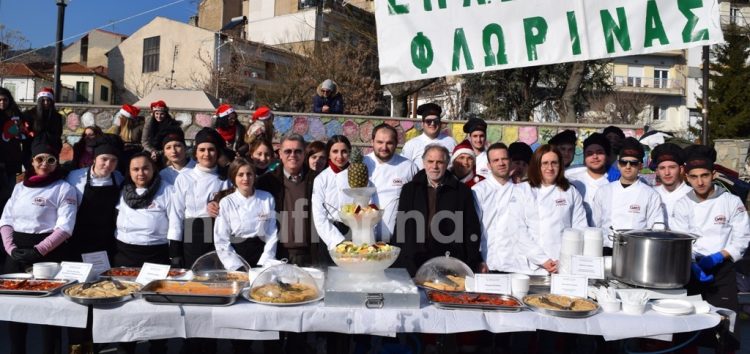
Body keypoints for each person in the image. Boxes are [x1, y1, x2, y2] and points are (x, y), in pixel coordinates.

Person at [0, 136, 77, 354]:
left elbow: (65, 227)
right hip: (16, 251)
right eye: (40, 159)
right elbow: (6, 219)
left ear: (56, 163)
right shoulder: (20, 186)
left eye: (50, 160)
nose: (44, 164)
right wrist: (11, 249)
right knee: (14, 310)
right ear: (32, 161)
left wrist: (38, 250)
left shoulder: (63, 188)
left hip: (47, 252)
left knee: (49, 313)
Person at [672, 145, 750, 313]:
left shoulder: (731, 201)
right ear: (686, 177)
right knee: (691, 323)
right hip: (692, 269)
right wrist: (693, 264)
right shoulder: (682, 205)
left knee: (726, 323)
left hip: (723, 271)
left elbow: (742, 238)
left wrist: (718, 257)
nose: (699, 182)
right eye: (694, 177)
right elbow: (681, 240)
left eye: (704, 176)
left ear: (713, 174)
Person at [393, 144, 482, 275]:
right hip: (414, 260)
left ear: (447, 164)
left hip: (449, 262)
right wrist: (401, 259)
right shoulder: (409, 190)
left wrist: (471, 261)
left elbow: (471, 228)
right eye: (430, 161)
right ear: (423, 162)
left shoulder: (462, 192)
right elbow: (401, 228)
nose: (434, 166)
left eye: (439, 162)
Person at [472, 143, 551, 274]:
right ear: (489, 165)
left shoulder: (525, 190)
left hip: (520, 265)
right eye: (496, 160)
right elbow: (473, 229)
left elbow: (535, 226)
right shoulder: (479, 191)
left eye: (504, 159)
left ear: (510, 162)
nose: (501, 163)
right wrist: (477, 259)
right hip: (490, 263)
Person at [168, 128, 231, 269]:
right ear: (196, 153)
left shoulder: (226, 179)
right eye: (202, 150)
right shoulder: (184, 177)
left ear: (218, 152)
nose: (206, 154)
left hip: (218, 233)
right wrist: (175, 250)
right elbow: (176, 214)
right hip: (192, 233)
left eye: (211, 150)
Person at [257, 134, 320, 267]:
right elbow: (243, 192)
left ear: (304, 153)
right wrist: (216, 201)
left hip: (309, 255)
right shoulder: (266, 182)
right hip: (276, 255)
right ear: (280, 153)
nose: (293, 155)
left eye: (297, 151)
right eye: (288, 151)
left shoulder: (317, 180)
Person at [591, 137, 664, 250]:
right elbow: (595, 225)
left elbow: (656, 230)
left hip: (637, 251)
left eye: (633, 163)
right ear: (619, 164)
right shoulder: (603, 191)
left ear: (640, 166)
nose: (628, 166)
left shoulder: (650, 194)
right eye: (624, 162)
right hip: (606, 249)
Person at [524, 144, 587, 273]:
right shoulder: (523, 190)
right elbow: (519, 231)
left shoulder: (571, 192)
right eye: (545, 163)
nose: (550, 168)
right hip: (531, 266)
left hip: (563, 265)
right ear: (537, 165)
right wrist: (542, 260)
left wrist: (565, 260)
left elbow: (580, 229)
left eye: (554, 163)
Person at [65, 134, 124, 262]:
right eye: (104, 159)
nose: (108, 164)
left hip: (107, 241)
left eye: (113, 160)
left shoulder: (119, 178)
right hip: (80, 240)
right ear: (94, 159)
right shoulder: (75, 177)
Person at [214, 157, 278, 269]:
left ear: (254, 176)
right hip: (236, 254)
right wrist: (236, 265)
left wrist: (265, 260)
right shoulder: (227, 202)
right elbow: (221, 238)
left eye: (249, 174)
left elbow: (272, 233)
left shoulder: (267, 198)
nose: (245, 178)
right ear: (233, 177)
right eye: (240, 175)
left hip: (261, 254)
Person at [364, 124, 419, 242]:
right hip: (364, 237)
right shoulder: (362, 164)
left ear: (396, 143)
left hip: (397, 238)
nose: (384, 147)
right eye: (380, 142)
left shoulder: (408, 167)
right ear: (372, 142)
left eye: (389, 143)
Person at [312, 135, 359, 251]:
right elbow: (319, 216)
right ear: (328, 154)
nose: (340, 156)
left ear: (350, 152)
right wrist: (337, 241)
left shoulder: (358, 175)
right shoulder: (321, 179)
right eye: (335, 151)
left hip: (355, 234)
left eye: (344, 151)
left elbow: (364, 204)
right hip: (329, 236)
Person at [565, 133, 610, 225]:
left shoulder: (613, 181)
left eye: (599, 152)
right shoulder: (572, 180)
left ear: (607, 155)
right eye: (589, 153)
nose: (595, 157)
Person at [401, 103, 457, 169]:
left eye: (436, 121)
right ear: (422, 124)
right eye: (428, 121)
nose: (432, 124)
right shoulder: (411, 144)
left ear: (440, 123)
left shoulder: (451, 142)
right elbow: (404, 168)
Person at [22, 87, 63, 172]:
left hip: (51, 150)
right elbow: (26, 134)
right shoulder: (29, 115)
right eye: (43, 100)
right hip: (32, 151)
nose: (46, 103)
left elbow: (58, 134)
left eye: (48, 100)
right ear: (39, 101)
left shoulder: (57, 117)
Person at [650, 143, 691, 225]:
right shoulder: (650, 194)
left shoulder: (692, 195)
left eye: (672, 167)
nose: (667, 173)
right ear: (657, 171)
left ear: (681, 169)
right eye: (662, 168)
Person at [0, 87, 26, 214]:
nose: (2, 102)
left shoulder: (16, 115)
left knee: (9, 194)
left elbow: (21, 133)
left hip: (12, 159)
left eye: (5, 100)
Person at [117, 104, 145, 170]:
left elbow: (143, 141)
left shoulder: (140, 127)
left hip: (134, 153)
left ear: (126, 119)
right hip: (122, 154)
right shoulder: (119, 127)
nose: (118, 118)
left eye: (121, 117)